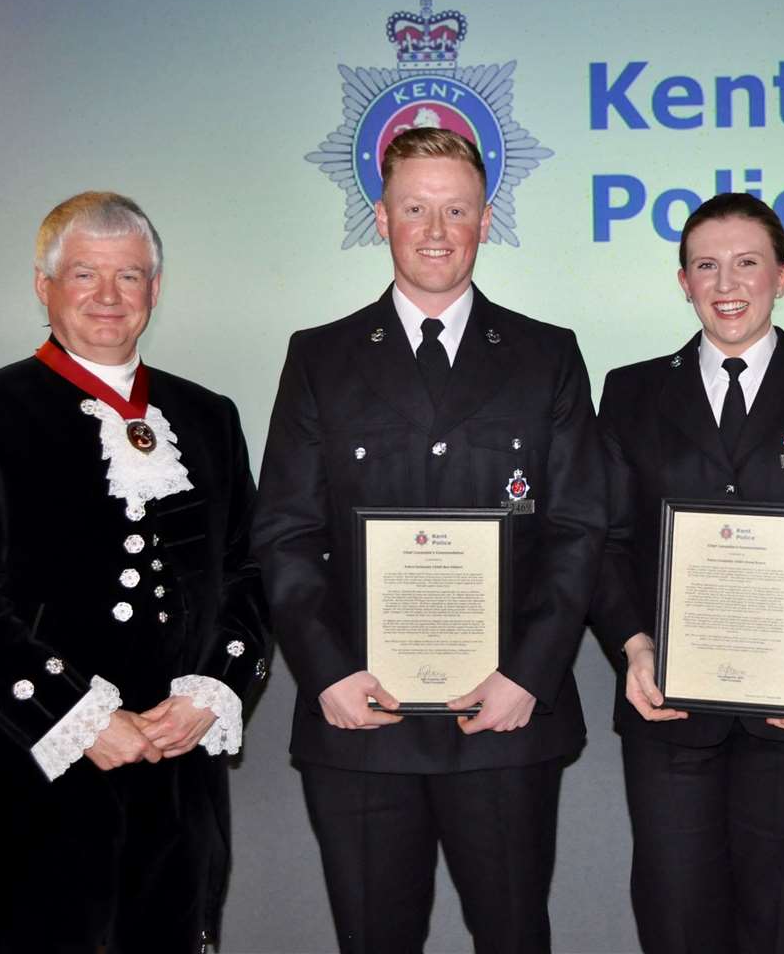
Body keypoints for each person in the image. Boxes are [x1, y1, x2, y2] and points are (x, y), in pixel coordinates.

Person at [252, 127, 606, 954]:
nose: (437, 230)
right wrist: (326, 670)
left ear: (486, 219)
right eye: (416, 208)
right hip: (360, 717)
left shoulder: (546, 356)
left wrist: (530, 672)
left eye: (457, 209)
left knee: (514, 937)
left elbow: (579, 527)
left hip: (504, 717)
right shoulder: (319, 358)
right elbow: (286, 531)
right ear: (381, 217)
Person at [0, 191, 270, 953]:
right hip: (39, 761)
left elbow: (247, 572)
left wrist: (211, 693)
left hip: (178, 765)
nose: (109, 297)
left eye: (130, 276)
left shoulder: (208, 416)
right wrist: (79, 721)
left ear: (155, 289)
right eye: (84, 275)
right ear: (43, 287)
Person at [588, 192, 784, 953]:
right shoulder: (630, 392)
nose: (727, 283)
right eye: (706, 265)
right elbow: (602, 540)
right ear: (683, 282)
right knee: (675, 923)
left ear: (782, 276)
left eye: (747, 262)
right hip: (669, 708)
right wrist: (632, 647)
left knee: (783, 927)